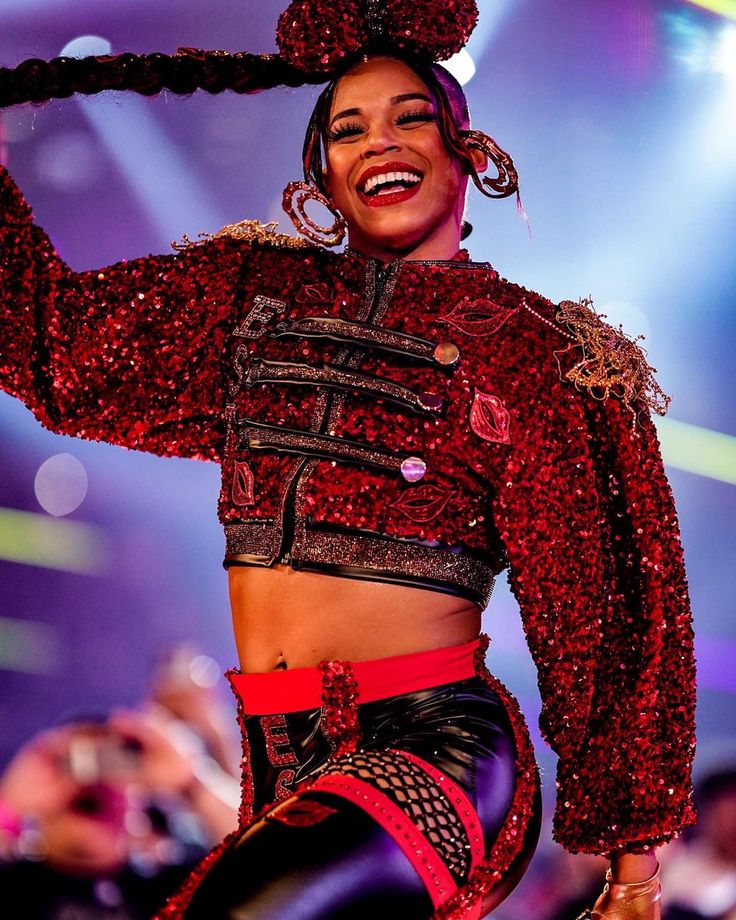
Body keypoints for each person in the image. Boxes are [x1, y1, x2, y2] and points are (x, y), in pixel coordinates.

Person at [0, 0, 697, 916]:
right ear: (321, 175)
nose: (380, 142)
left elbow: (602, 608)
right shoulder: (248, 295)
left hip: (435, 748)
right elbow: (61, 347)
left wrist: (634, 873)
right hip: (280, 759)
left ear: (472, 155)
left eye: (412, 118)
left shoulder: (537, 354)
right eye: (349, 128)